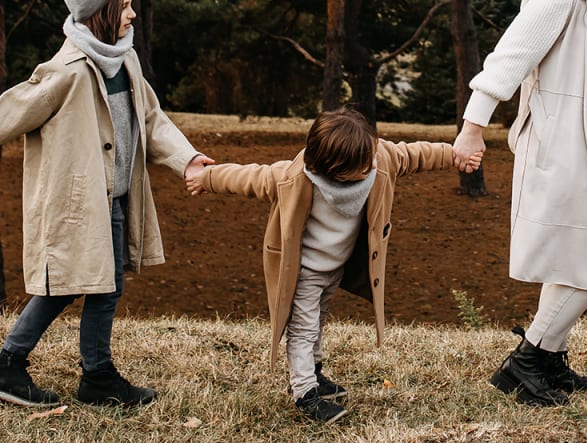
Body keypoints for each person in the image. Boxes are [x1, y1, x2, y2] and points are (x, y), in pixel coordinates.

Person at [186, 107, 482, 423]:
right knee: (303, 327)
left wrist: (454, 155)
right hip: (304, 271)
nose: (373, 162)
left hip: (336, 266)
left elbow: (414, 155)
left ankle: (314, 371)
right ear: (336, 169)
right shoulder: (294, 178)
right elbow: (249, 176)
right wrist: (207, 177)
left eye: (372, 154)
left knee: (319, 318)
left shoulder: (378, 158)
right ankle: (304, 393)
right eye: (365, 163)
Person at [0, 0, 214, 407]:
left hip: (114, 200)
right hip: (76, 205)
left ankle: (97, 377)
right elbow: (10, 112)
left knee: (107, 287)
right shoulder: (68, 72)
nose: (133, 15)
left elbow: (151, 120)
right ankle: (9, 362)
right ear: (101, 13)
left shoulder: (126, 60)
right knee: (64, 287)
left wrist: (186, 160)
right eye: (126, 6)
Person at [453, 0, 587, 406]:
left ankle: (551, 358)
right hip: (565, 146)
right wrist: (473, 126)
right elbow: (514, 51)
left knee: (572, 258)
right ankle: (527, 360)